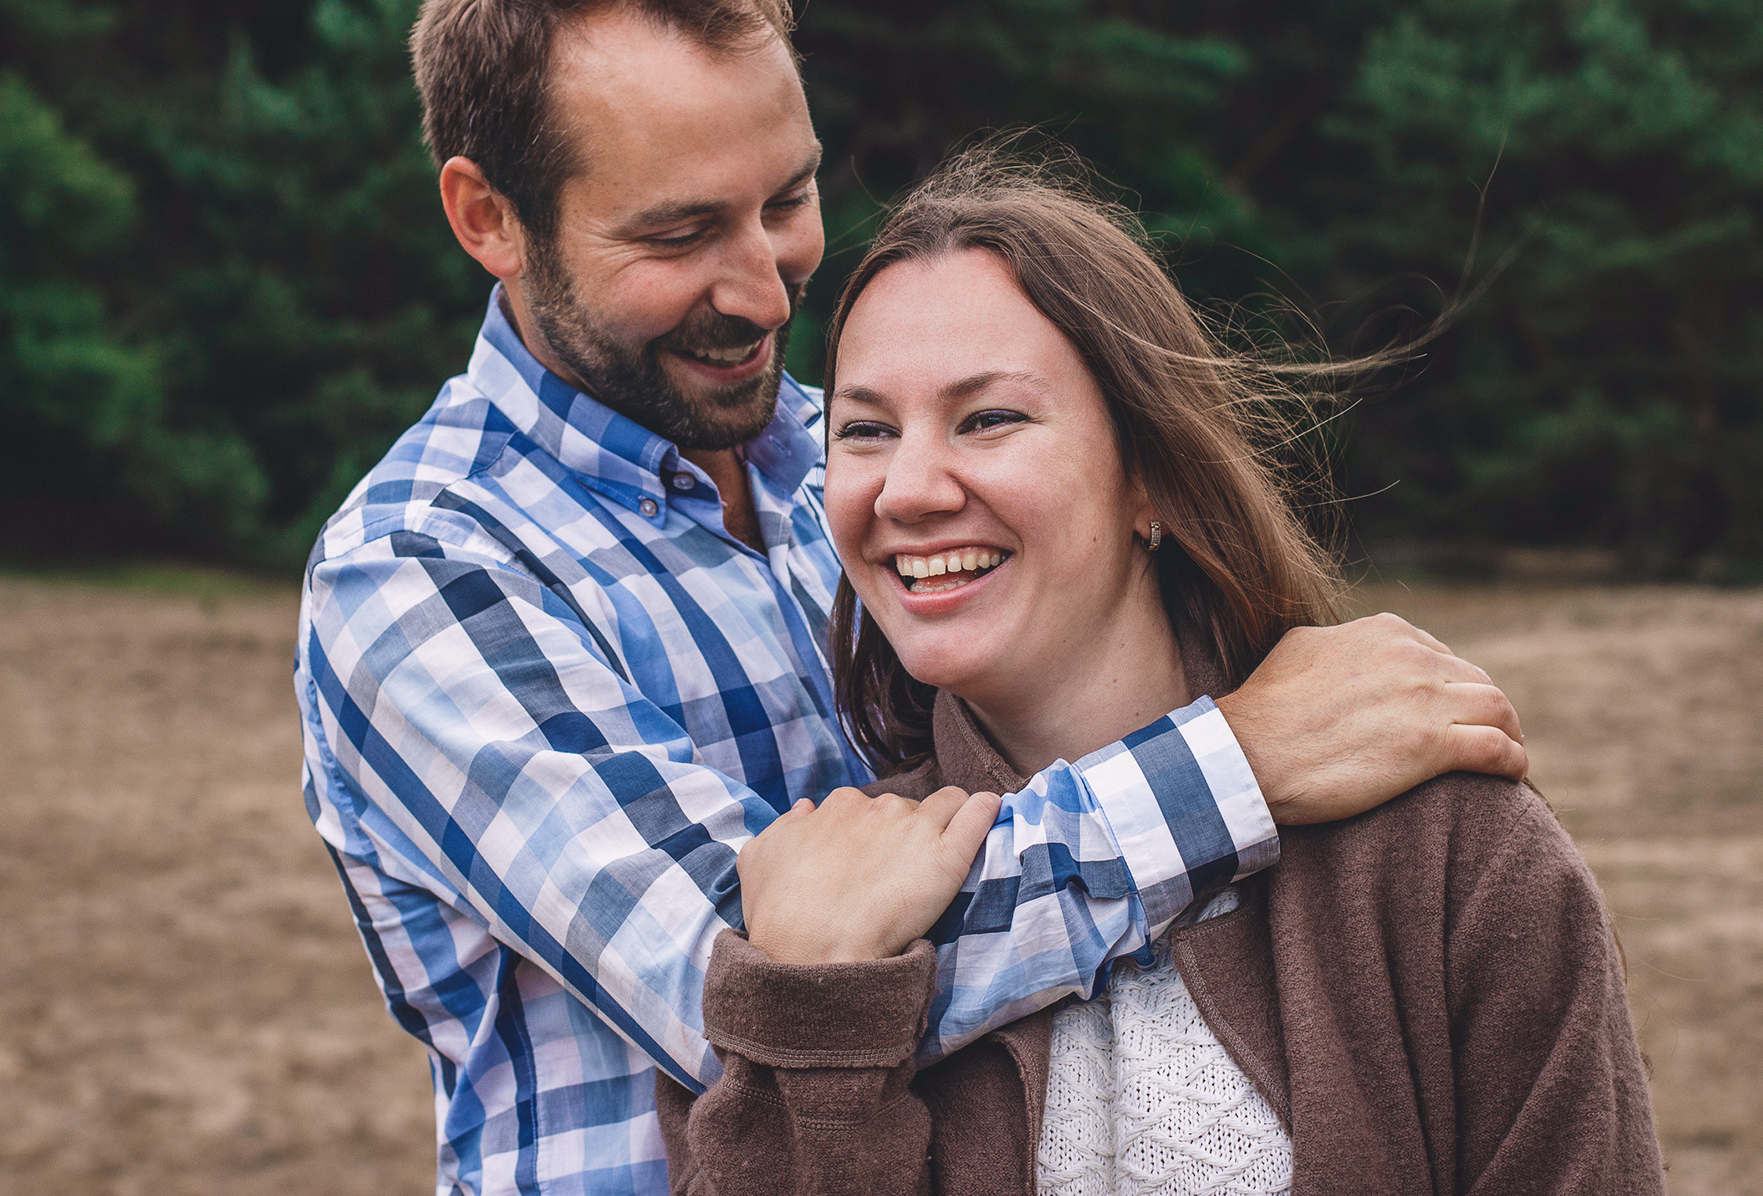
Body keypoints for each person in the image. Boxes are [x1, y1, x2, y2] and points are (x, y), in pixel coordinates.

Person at [294, 0, 1527, 1195]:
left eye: (787, 198)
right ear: (490, 218)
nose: (764, 289)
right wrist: (1230, 764)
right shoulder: (421, 572)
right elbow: (750, 993)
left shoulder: (866, 465)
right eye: (681, 232)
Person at [656, 150, 1663, 1195]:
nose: (906, 488)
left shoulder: (1448, 856)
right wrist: (814, 1024)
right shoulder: (801, 917)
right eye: (864, 430)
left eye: (987, 418)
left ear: (1150, 478)